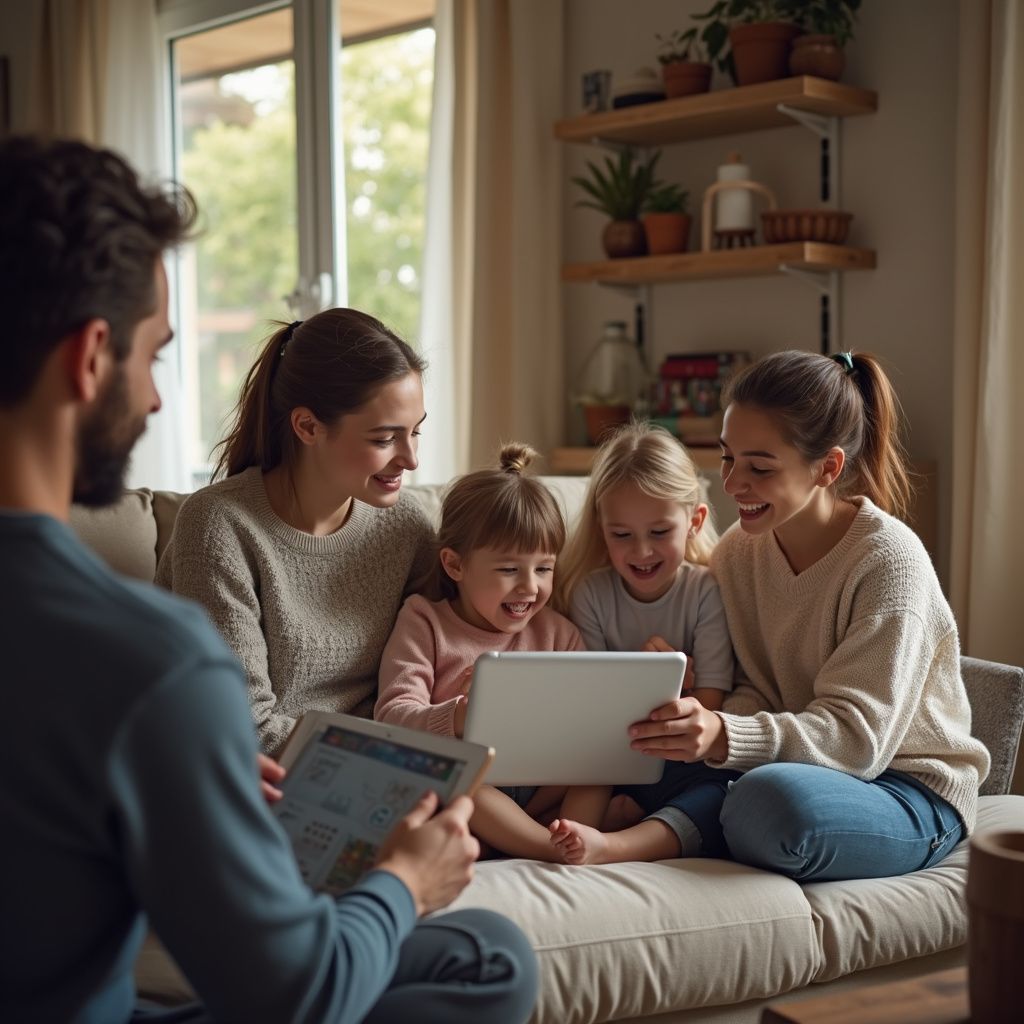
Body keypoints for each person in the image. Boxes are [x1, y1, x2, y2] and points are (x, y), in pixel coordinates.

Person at [0, 135, 537, 1023]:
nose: (158, 400)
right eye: (154, 355)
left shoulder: (405, 529)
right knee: (487, 958)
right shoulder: (151, 664)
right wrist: (405, 881)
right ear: (90, 356)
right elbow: (295, 995)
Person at [625, 349, 991, 881]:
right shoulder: (737, 553)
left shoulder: (890, 563)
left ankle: (698, 824)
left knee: (767, 806)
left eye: (760, 467)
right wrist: (693, 705)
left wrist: (726, 736)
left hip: (906, 789)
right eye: (727, 458)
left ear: (828, 467)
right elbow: (755, 687)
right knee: (635, 759)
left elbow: (858, 739)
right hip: (796, 766)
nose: (732, 483)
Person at [156, 307, 436, 757]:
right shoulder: (219, 526)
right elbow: (243, 726)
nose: (411, 459)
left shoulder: (408, 528)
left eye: (415, 432)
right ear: (307, 426)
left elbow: (441, 669)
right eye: (384, 439)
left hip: (385, 771)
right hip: (265, 779)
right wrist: (390, 761)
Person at [375, 443, 612, 862]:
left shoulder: (559, 633)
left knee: (600, 760)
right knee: (460, 775)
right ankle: (549, 846)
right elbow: (392, 717)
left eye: (544, 568)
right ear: (455, 565)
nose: (530, 587)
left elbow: (585, 726)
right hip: (474, 789)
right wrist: (458, 716)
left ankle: (576, 835)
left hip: (543, 782)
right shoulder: (425, 621)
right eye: (508, 570)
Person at [547, 421, 737, 865]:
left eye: (658, 532)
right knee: (590, 770)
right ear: (601, 528)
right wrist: (639, 674)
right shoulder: (590, 593)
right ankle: (572, 837)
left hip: (679, 754)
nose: (641, 552)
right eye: (622, 535)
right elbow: (590, 701)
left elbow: (711, 701)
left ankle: (619, 841)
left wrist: (678, 692)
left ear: (694, 522)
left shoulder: (705, 590)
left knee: (722, 794)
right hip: (608, 748)